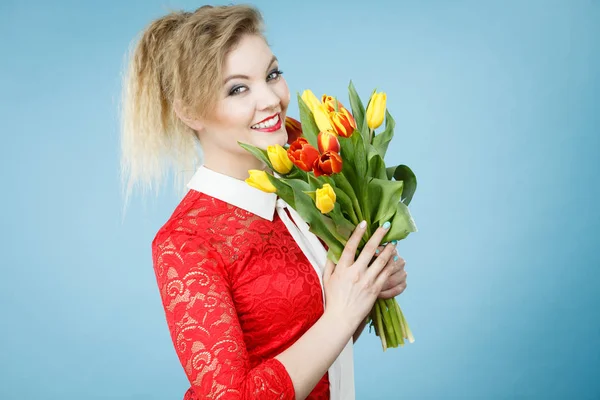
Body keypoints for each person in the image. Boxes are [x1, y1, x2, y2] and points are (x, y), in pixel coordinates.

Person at [120, 4, 408, 400]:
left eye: (272, 74)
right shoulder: (185, 242)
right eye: (238, 88)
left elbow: (314, 349)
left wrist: (363, 293)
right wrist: (340, 316)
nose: (271, 99)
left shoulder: (302, 190)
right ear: (189, 111)